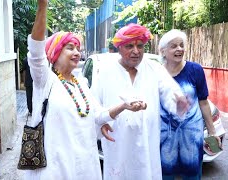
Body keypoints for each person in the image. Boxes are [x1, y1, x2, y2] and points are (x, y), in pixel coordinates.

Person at [24, 1, 144, 179]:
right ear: (55, 52)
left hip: (85, 165)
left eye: (78, 49)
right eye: (70, 48)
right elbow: (35, 51)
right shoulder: (45, 79)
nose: (77, 52)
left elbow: (98, 115)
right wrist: (43, 7)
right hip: (56, 167)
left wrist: (123, 106)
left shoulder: (81, 83)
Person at [90, 23, 189, 180]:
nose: (136, 51)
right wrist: (101, 123)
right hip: (118, 142)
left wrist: (179, 103)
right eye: (129, 46)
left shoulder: (154, 69)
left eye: (140, 46)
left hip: (147, 142)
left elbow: (171, 92)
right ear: (119, 48)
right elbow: (94, 107)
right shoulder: (105, 73)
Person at [158, 29, 221, 180]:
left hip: (191, 135)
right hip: (164, 135)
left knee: (192, 173)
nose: (179, 49)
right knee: (164, 173)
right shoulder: (157, 73)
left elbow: (204, 103)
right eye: (173, 46)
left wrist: (212, 132)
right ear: (163, 51)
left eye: (181, 45)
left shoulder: (195, 70)